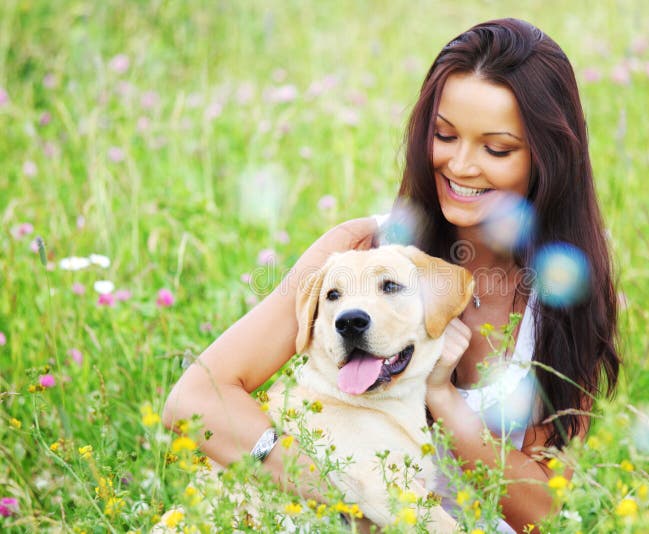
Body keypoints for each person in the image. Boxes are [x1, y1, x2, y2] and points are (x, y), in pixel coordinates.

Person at [163, 17, 619, 533]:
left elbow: (543, 512)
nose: (462, 166)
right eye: (445, 136)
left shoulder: (564, 294)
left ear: (547, 158)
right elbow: (194, 401)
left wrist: (444, 401)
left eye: (496, 149)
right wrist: (343, 489)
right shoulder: (359, 251)